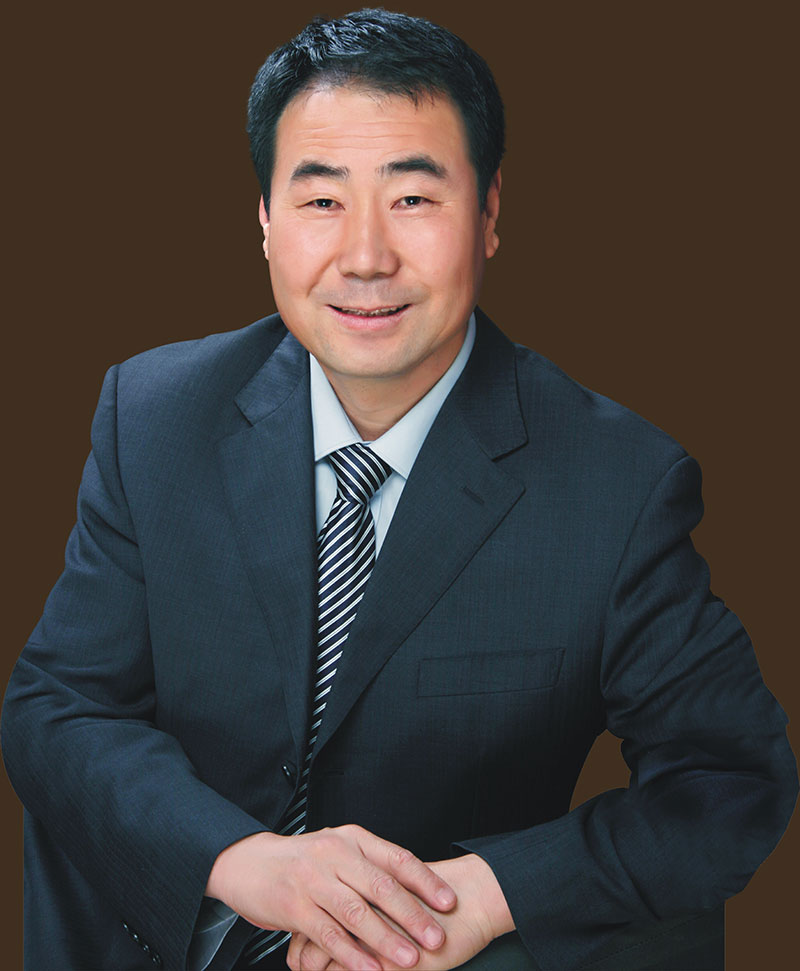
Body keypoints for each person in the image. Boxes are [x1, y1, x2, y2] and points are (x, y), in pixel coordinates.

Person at [2, 8, 796, 971]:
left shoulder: (619, 484)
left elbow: (728, 779)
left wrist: (485, 897)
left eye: (413, 198)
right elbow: (58, 703)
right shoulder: (154, 416)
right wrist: (242, 860)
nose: (367, 256)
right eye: (321, 200)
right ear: (264, 220)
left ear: (490, 212)